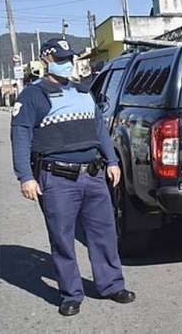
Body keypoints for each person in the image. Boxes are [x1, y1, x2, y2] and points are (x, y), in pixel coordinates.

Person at [10, 38, 136, 316]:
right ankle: (71, 293)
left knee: (104, 234)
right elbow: (20, 135)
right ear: (47, 60)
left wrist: (112, 161)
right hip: (56, 179)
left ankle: (111, 285)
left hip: (93, 174)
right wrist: (25, 177)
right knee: (62, 238)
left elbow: (99, 130)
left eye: (70, 58)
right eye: (62, 59)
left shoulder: (82, 91)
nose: (68, 64)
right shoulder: (33, 95)